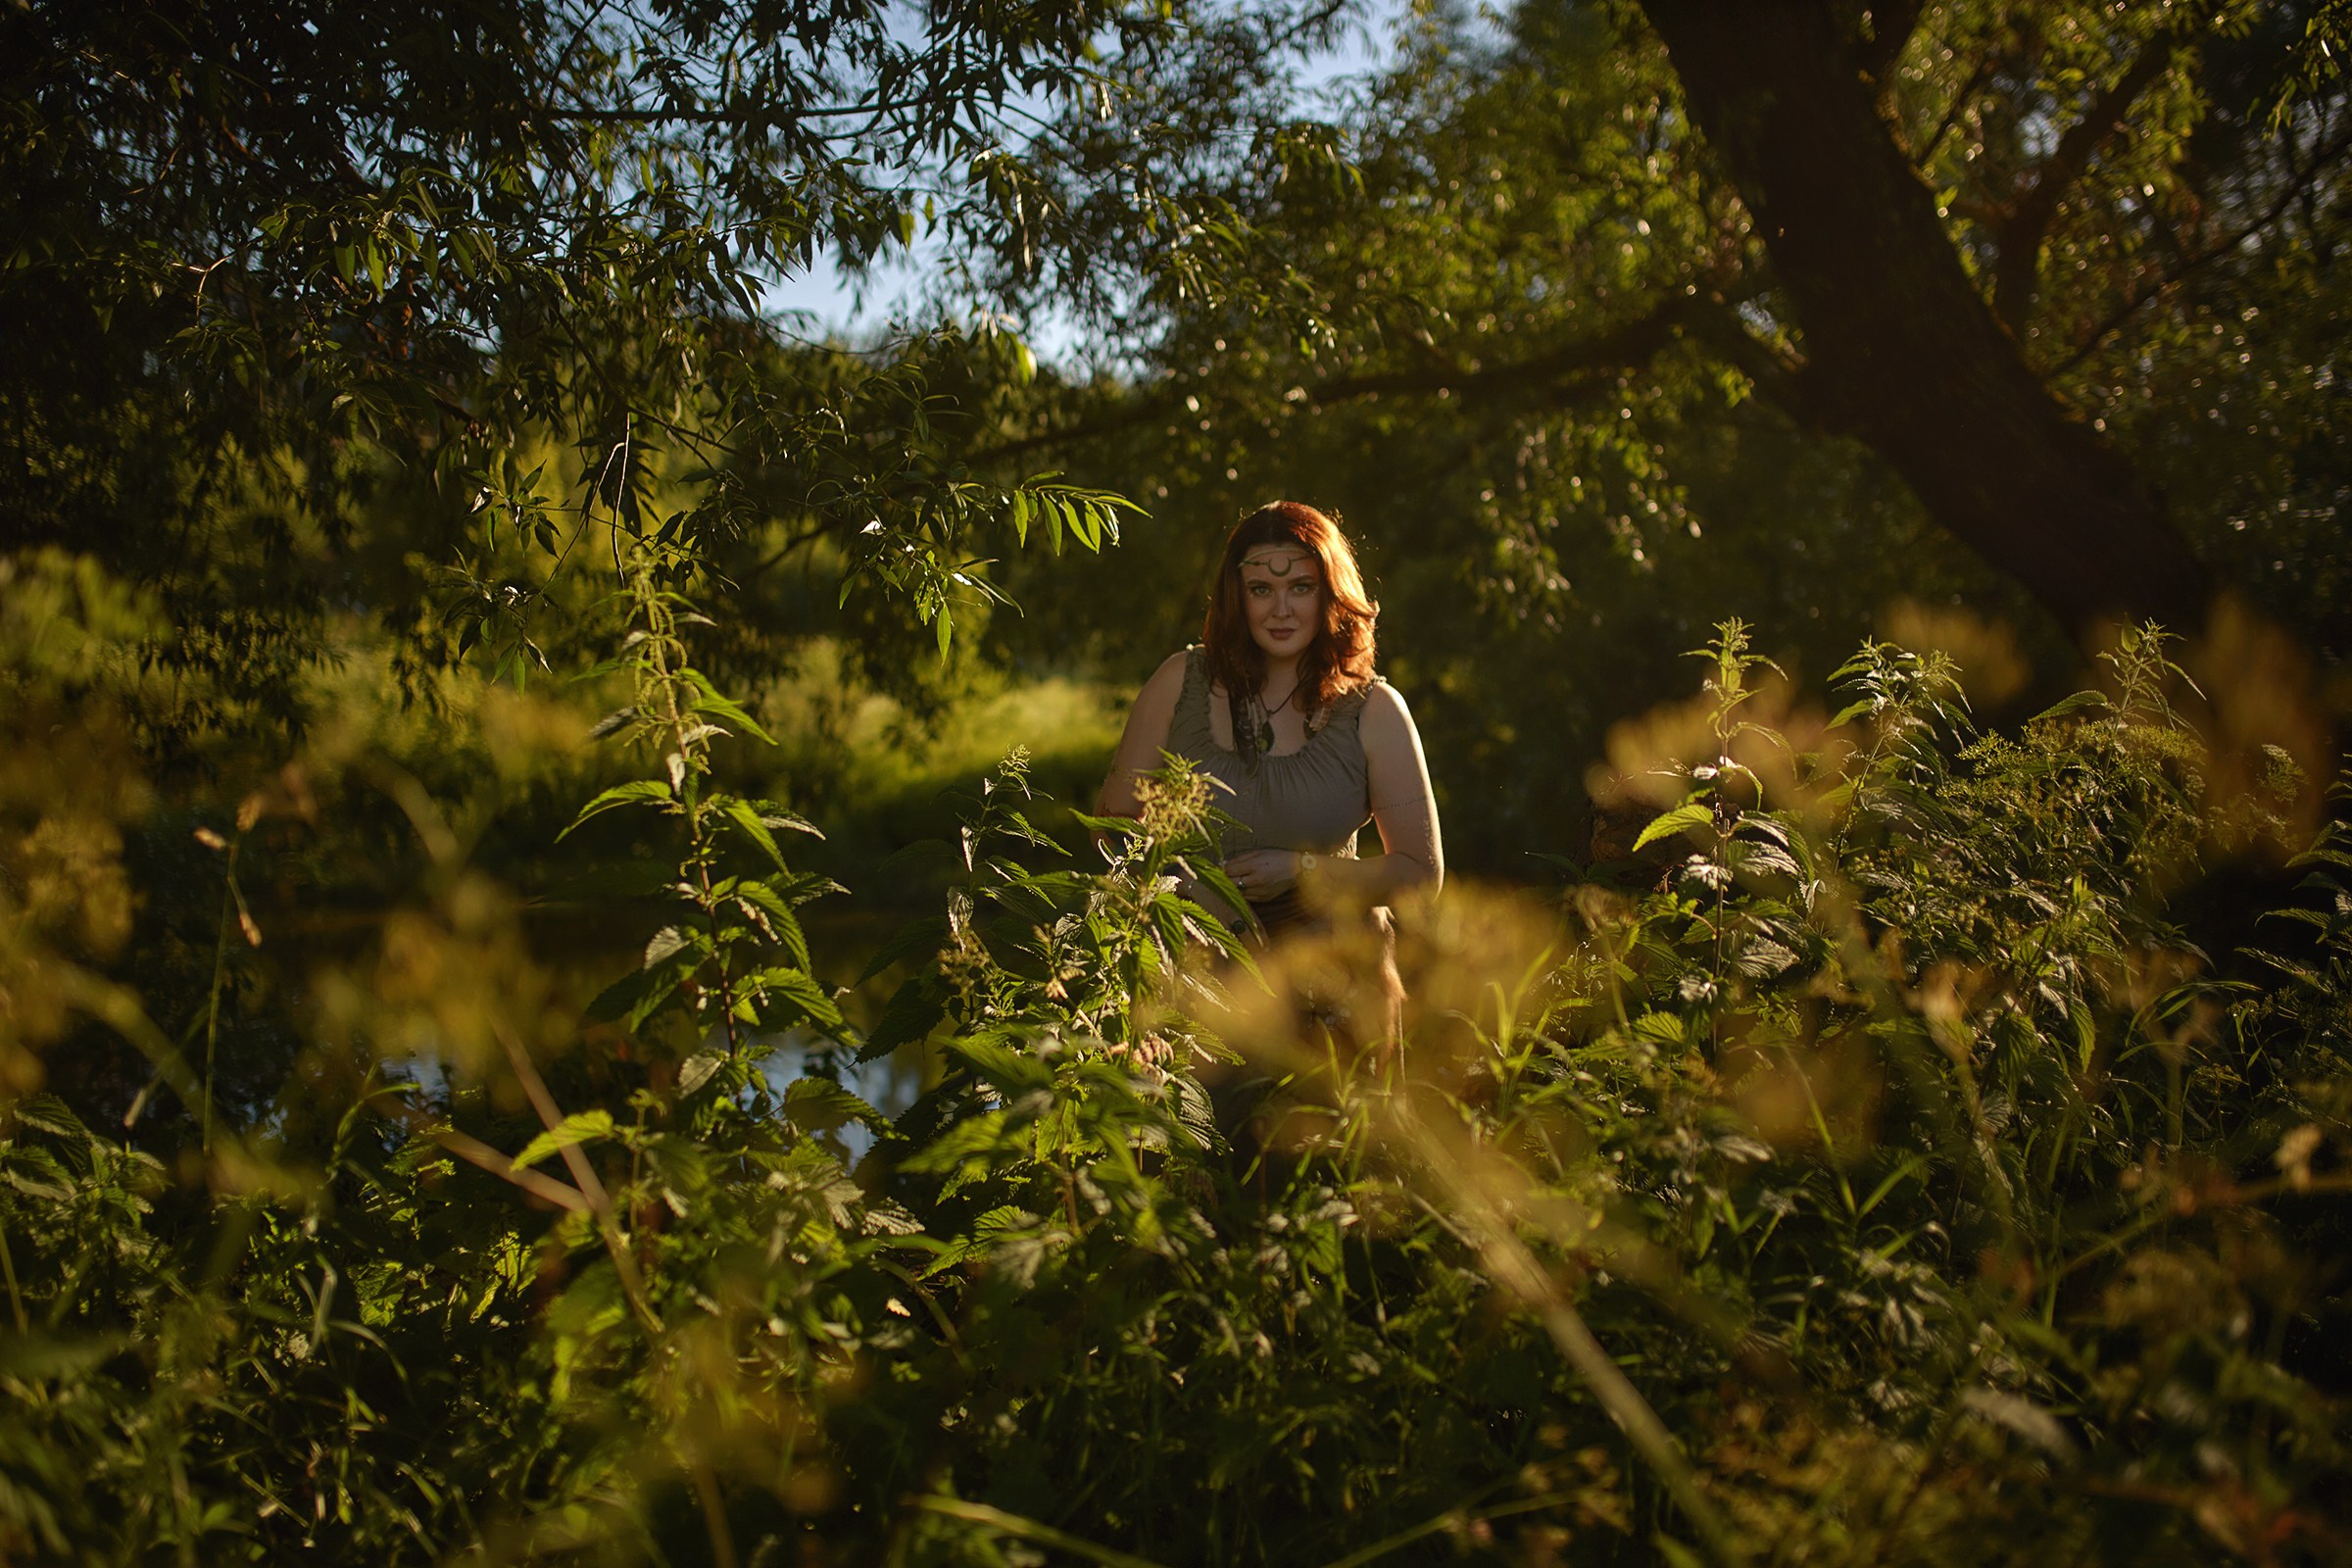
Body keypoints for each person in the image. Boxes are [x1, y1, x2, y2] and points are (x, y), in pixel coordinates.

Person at [1096, 501, 1443, 1033]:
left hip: (1337, 1003)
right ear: (1236, 597)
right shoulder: (1178, 684)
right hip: (1198, 998)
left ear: (1330, 593)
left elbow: (1420, 877)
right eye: (1261, 590)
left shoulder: (1375, 712)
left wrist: (1303, 871)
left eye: (1301, 587)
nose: (1281, 609)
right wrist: (1191, 889)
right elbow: (1112, 829)